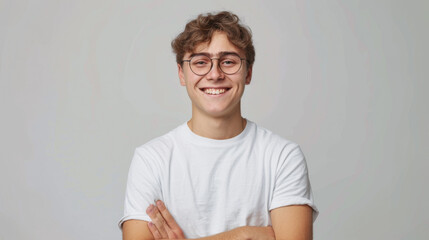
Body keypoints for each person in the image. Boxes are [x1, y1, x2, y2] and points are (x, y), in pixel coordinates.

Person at [119, 11, 318, 240]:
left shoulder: (282, 156)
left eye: (228, 62)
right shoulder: (151, 160)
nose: (215, 74)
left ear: (248, 73)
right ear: (181, 74)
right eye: (200, 62)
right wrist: (244, 235)